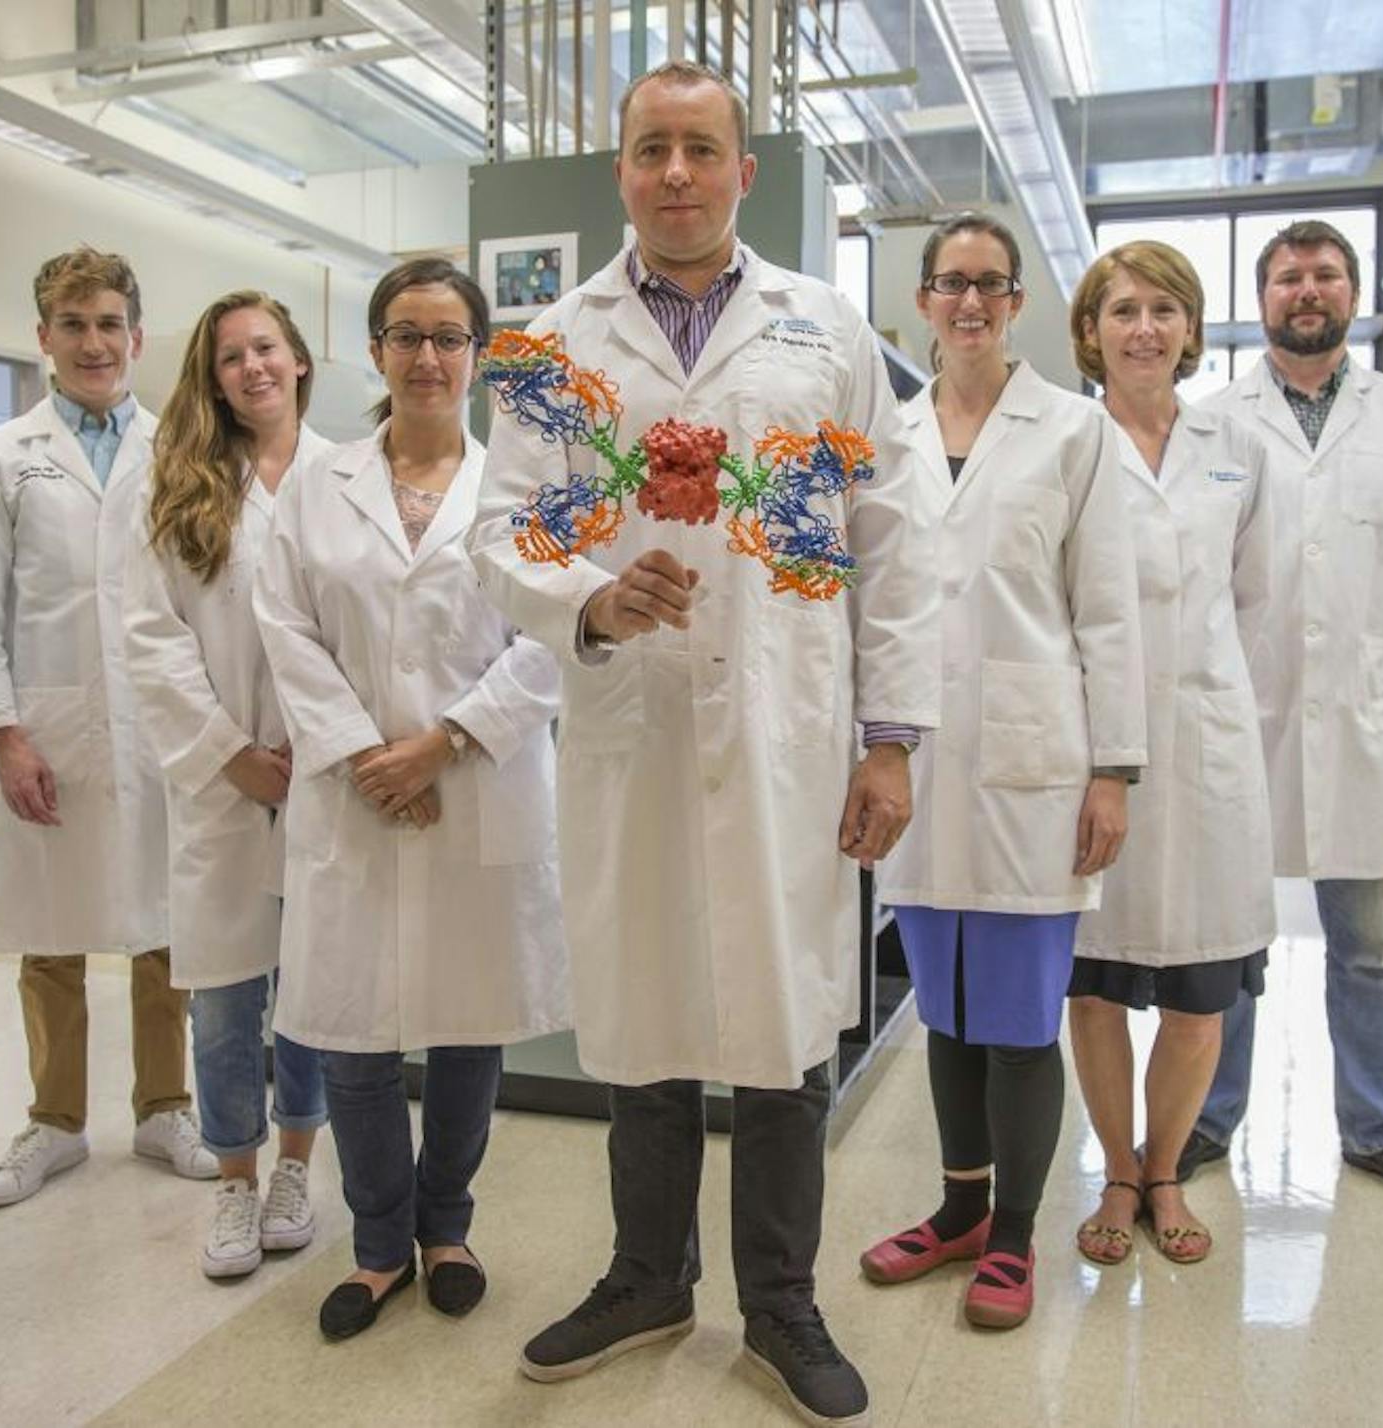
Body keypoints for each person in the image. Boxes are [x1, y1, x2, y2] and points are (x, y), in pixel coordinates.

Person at [468, 60, 938, 1428]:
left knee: (785, 1025)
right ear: (620, 171)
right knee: (643, 1013)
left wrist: (892, 741)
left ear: (742, 170)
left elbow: (896, 550)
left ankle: (779, 1302)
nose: (676, 172)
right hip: (630, 726)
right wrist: (588, 601)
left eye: (701, 149)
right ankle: (646, 1278)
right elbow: (502, 533)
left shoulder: (827, 335)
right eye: (651, 149)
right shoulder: (555, 345)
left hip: (792, 735)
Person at [253, 257, 569, 1340]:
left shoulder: (519, 491)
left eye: (447, 337)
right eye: (405, 335)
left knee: (469, 1024)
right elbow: (283, 627)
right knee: (353, 1032)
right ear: (377, 352)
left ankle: (449, 1228)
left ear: (478, 358)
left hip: (470, 782)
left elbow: (552, 636)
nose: (427, 356)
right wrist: (362, 756)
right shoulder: (316, 483)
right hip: (355, 797)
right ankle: (380, 1243)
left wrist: (441, 745)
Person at [856, 215, 1143, 1331]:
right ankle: (958, 1208)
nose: (968, 303)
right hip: (918, 764)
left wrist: (1114, 769)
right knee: (947, 1014)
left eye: (989, 284)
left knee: (1020, 1019)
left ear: (1017, 301)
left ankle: (1015, 1234)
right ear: (922, 301)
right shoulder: (887, 433)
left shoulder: (1074, 430)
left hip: (1037, 763)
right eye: (949, 284)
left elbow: (1108, 610)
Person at [1189, 219, 1383, 1209]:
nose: (1305, 291)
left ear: (1354, 294)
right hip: (1247, 710)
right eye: (1285, 278)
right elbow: (1197, 566)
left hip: (1365, 711)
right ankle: (1207, 1115)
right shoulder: (1215, 421)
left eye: (1324, 275)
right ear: (1260, 299)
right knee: (1228, 937)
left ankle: (1380, 1124)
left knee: (1366, 943)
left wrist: (1381, 645)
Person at [0, 245, 214, 1208]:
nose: (93, 343)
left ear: (136, 337)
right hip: (49, 727)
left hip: (158, 723)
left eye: (109, 324)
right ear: (44, 339)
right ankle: (54, 1124)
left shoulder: (179, 448)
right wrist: (4, 734)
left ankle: (163, 1108)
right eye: (74, 325)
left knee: (165, 926)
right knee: (49, 930)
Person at [1061, 241, 1276, 1269]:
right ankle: (1113, 1165)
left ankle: (1165, 1170)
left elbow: (1260, 600)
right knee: (1095, 983)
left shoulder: (1235, 448)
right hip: (1092, 746)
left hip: (1209, 748)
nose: (1143, 327)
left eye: (1163, 309)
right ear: (1090, 331)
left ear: (1191, 329)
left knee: (1203, 989)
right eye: (1122, 310)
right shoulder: (1064, 441)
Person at [123, 290, 334, 1278]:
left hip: (326, 777)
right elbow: (150, 639)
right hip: (222, 778)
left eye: (265, 348)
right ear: (212, 380)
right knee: (220, 999)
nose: (250, 367)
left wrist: (325, 749)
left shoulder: (347, 475)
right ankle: (236, 1182)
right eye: (229, 358)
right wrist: (229, 751)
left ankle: (297, 1163)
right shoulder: (180, 484)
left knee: (312, 994)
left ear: (298, 359)